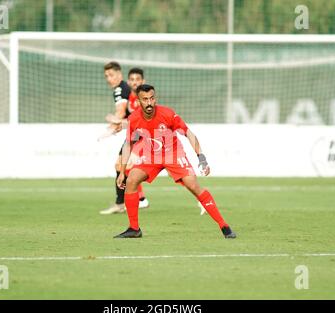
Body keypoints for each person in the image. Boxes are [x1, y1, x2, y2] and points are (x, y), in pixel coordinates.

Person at [114, 84, 237, 239]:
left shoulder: (167, 114)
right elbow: (128, 144)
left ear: (155, 98)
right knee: (131, 180)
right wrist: (122, 172)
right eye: (145, 99)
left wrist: (201, 157)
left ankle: (224, 226)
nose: (149, 102)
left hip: (173, 153)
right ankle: (134, 228)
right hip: (151, 155)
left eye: (152, 98)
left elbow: (188, 133)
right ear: (139, 101)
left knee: (193, 185)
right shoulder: (133, 119)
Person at [100, 62, 149, 214]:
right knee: (123, 166)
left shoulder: (120, 90)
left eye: (111, 75)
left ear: (120, 75)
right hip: (135, 134)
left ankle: (129, 201)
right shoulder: (132, 94)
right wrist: (117, 125)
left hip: (143, 135)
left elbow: (122, 112)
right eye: (106, 76)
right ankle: (130, 201)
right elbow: (132, 119)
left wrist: (115, 123)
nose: (109, 79)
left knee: (126, 167)